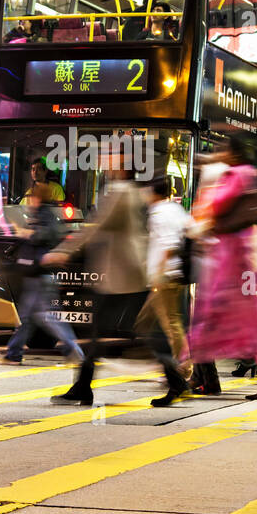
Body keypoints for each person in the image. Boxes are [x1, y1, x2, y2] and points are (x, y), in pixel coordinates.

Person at [42, 152, 187, 406]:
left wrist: (63, 251)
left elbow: (96, 226)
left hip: (123, 277)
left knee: (127, 332)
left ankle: (174, 381)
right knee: (124, 331)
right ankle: (84, 386)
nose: (106, 165)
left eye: (111, 161)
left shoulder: (119, 193)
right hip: (129, 274)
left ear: (122, 168)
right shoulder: (132, 192)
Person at [184, 137, 257, 400]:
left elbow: (216, 204)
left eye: (224, 150)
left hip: (235, 258)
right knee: (252, 319)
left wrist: (210, 181)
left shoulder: (236, 174)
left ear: (233, 152)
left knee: (215, 312)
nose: (220, 154)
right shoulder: (248, 173)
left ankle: (183, 366)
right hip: (244, 255)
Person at [2, 186, 84, 367]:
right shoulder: (41, 215)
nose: (30, 201)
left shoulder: (46, 215)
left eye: (32, 197)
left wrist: (28, 234)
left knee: (43, 318)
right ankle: (14, 352)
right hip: (38, 275)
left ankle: (73, 351)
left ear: (38, 198)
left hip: (41, 275)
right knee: (29, 318)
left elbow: (49, 235)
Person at [137, 176, 191, 377]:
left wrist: (159, 272)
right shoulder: (174, 209)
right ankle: (167, 363)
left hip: (165, 278)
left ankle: (183, 365)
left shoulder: (159, 214)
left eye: (146, 191)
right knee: (149, 321)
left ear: (153, 193)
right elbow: (191, 229)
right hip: (171, 275)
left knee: (170, 325)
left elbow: (169, 245)